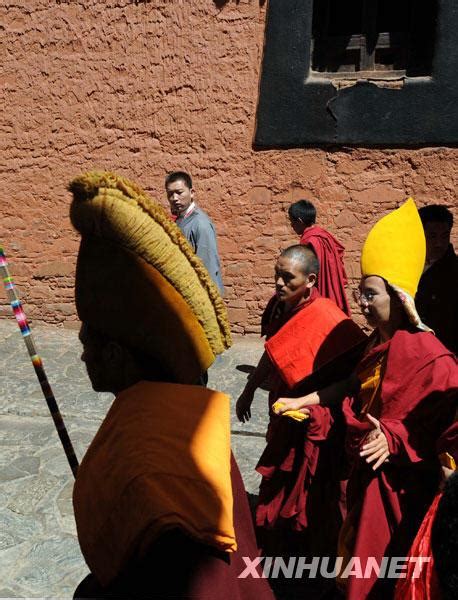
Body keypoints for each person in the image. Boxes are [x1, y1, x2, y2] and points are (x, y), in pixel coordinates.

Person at [69, 171, 274, 600]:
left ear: (115, 356)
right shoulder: (180, 407)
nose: (82, 354)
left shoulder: (152, 460)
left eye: (88, 342)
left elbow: (178, 580)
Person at [276, 199, 458, 599]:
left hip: (402, 488)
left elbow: (446, 427)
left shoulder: (430, 356)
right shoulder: (376, 342)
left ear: (398, 296)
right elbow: (349, 385)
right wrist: (304, 399)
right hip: (363, 474)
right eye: (360, 293)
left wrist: (394, 437)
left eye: (370, 294)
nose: (362, 303)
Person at [235, 244, 365, 557]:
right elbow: (274, 349)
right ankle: (277, 536)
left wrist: (317, 406)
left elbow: (354, 373)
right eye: (276, 275)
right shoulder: (281, 306)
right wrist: (250, 388)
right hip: (285, 408)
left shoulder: (328, 317)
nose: (279, 283)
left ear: (310, 280)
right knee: (280, 474)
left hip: (315, 417)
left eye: (287, 277)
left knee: (309, 487)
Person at [288, 199, 351, 315]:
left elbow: (307, 272)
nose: (291, 225)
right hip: (334, 288)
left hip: (319, 291)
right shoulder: (324, 235)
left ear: (300, 221)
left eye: (292, 221)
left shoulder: (309, 240)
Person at [165, 170, 224, 294]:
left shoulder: (200, 224)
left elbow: (207, 269)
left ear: (192, 193)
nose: (175, 198)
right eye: (170, 194)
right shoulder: (180, 219)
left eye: (179, 192)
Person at [416, 204, 458, 354]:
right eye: (432, 236)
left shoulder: (454, 272)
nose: (439, 243)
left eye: (444, 236)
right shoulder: (411, 266)